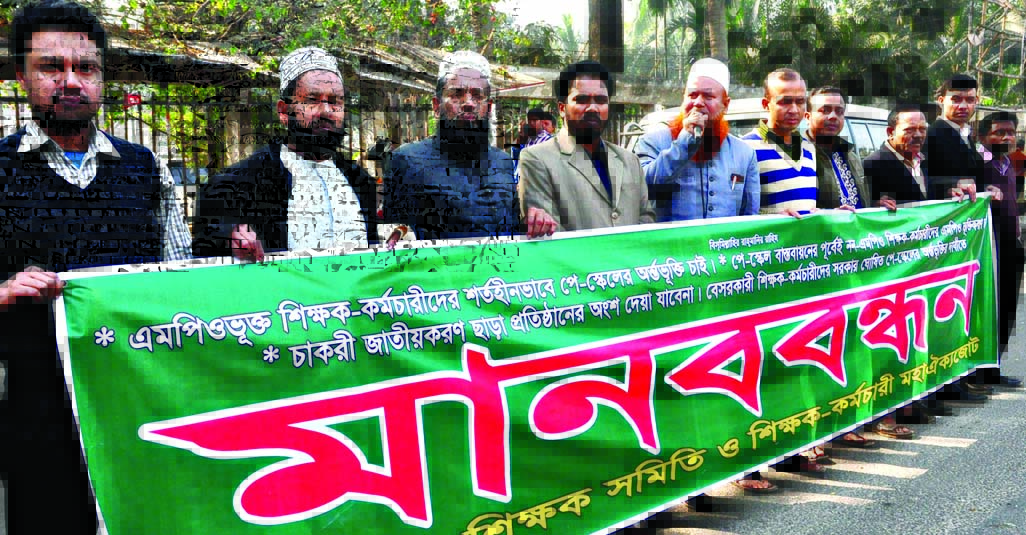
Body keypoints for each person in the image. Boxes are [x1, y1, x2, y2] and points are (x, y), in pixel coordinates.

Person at [0, 1, 192, 532]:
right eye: (50, 67)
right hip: (40, 404)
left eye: (85, 68)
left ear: (102, 79)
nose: (70, 81)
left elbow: (180, 277)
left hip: (138, 396)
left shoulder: (144, 169)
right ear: (22, 76)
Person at [194, 47, 379, 260]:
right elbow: (205, 249)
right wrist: (229, 237)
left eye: (335, 101)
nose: (326, 111)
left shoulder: (360, 182)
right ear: (283, 111)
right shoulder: (237, 184)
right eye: (312, 100)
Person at [383, 51, 554, 240]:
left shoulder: (503, 162)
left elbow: (509, 232)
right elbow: (394, 243)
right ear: (436, 105)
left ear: (488, 108)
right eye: (456, 94)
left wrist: (533, 222)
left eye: (477, 96)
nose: (468, 103)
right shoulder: (406, 160)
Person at [518, 60, 655, 231]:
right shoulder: (537, 159)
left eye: (601, 100)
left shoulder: (630, 161)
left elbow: (646, 218)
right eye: (582, 100)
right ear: (562, 108)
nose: (593, 108)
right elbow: (549, 233)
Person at [633, 58, 760, 221]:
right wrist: (684, 142)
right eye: (692, 95)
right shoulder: (653, 142)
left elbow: (750, 220)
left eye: (708, 96)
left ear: (726, 105)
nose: (698, 103)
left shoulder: (745, 154)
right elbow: (642, 190)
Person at [976, 112, 1023, 388]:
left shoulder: (1009, 163)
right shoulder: (979, 163)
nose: (1006, 137)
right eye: (999, 132)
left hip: (1011, 244)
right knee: (988, 309)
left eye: (1010, 132)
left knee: (1006, 308)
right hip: (987, 247)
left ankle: (995, 367)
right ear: (983, 136)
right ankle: (980, 370)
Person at [742, 68, 817, 216]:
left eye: (800, 101)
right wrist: (774, 220)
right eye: (785, 102)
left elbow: (810, 207)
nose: (794, 110)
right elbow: (739, 212)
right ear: (766, 104)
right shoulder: (746, 149)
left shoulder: (808, 148)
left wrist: (834, 214)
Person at [804, 87, 880, 211]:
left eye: (839, 111)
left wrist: (877, 204)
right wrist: (829, 215)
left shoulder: (851, 155)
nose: (833, 117)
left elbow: (862, 200)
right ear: (807, 116)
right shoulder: (798, 156)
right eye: (825, 110)